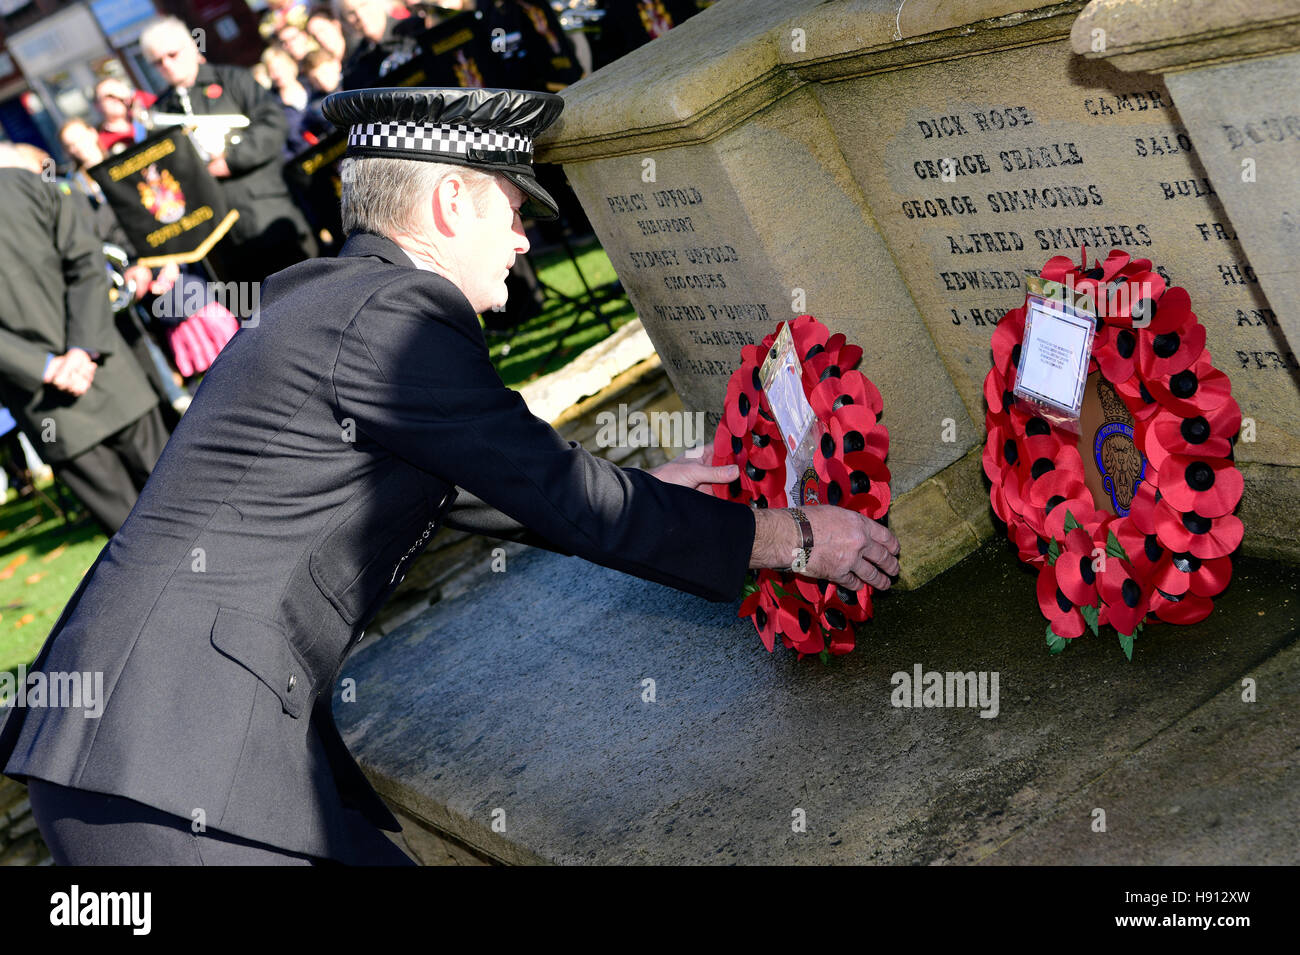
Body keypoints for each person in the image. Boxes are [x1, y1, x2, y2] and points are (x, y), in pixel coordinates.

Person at [1, 87, 899, 866]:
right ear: (450, 200)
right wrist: (796, 538)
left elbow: (481, 478)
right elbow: (556, 493)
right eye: (513, 207)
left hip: (162, 746)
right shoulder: (395, 314)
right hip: (166, 762)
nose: (522, 237)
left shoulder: (335, 300)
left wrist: (647, 482)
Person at [0, 154, 169, 535]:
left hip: (48, 407)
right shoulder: (35, 186)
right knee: (186, 507)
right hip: (107, 375)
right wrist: (81, 349)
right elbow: (90, 263)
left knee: (131, 544)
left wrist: (48, 366)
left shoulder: (32, 187)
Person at [140, 15, 317, 282]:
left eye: (172, 55)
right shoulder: (160, 111)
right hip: (221, 238)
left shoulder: (232, 80)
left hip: (267, 213)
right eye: (157, 62)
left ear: (191, 46)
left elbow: (273, 123)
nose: (166, 65)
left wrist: (231, 160)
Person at [93, 77, 156, 155]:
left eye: (116, 91)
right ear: (97, 105)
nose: (116, 99)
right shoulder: (102, 141)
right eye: (108, 97)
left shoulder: (143, 104)